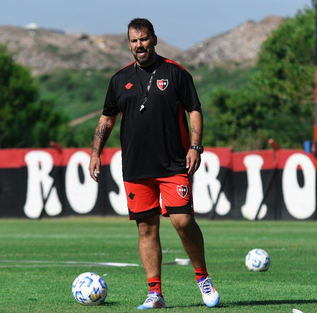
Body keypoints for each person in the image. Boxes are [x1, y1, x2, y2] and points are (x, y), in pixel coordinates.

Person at [88, 17, 219, 310]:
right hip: (136, 166)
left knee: (183, 221)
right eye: (134, 41)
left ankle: (203, 279)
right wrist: (96, 152)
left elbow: (194, 110)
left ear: (154, 39)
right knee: (146, 229)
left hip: (173, 163)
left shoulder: (176, 73)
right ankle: (155, 293)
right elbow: (106, 118)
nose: (139, 45)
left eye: (144, 39)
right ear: (129, 44)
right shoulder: (119, 80)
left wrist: (196, 146)